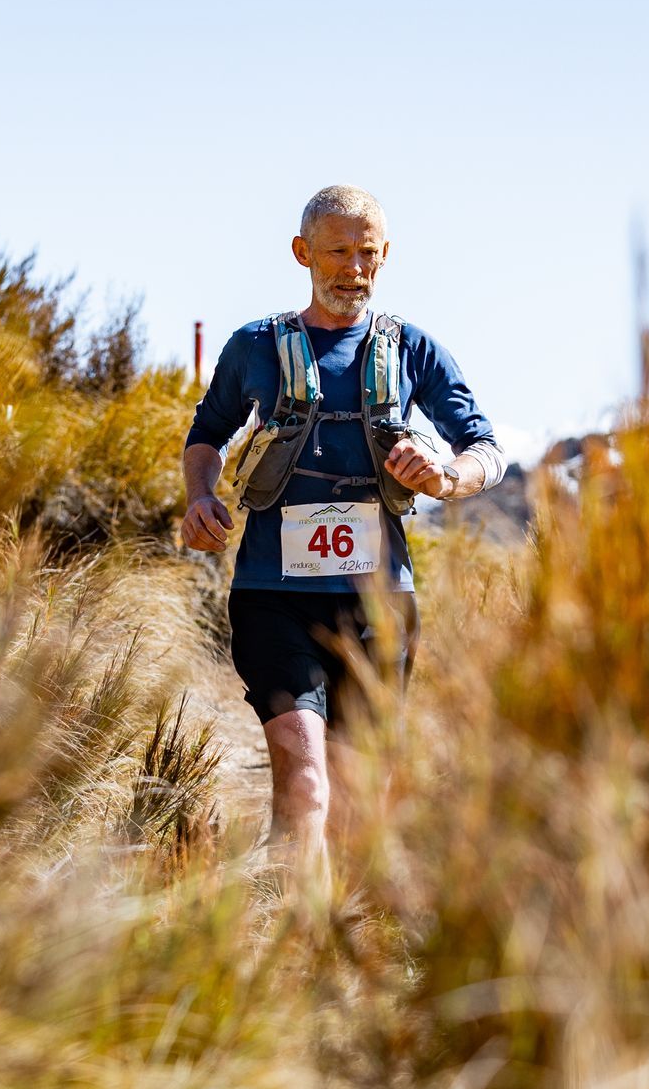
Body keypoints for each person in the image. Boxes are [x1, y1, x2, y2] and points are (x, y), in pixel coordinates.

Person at [179, 185, 506, 878]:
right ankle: (297, 941)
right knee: (307, 785)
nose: (353, 268)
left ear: (386, 255)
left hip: (380, 605)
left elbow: (484, 448)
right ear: (303, 254)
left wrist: (446, 476)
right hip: (273, 596)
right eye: (337, 252)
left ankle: (326, 941)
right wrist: (199, 497)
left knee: (356, 802)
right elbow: (205, 435)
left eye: (367, 253)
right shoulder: (255, 348)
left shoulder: (413, 351)